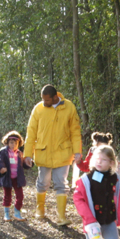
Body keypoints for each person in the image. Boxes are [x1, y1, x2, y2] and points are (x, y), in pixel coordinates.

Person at [24, 85, 82, 226]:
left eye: (47, 100)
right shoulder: (38, 109)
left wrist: (78, 151)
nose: (44, 102)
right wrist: (27, 154)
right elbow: (31, 132)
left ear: (55, 97)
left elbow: (75, 131)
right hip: (43, 152)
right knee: (43, 182)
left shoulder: (69, 107)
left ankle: (61, 217)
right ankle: (40, 210)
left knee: (61, 184)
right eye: (42, 99)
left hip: (63, 153)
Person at [0, 131, 31, 222]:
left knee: (20, 196)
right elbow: (0, 161)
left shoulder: (19, 153)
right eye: (11, 142)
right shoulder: (3, 152)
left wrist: (29, 164)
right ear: (7, 142)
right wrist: (2, 167)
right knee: (7, 195)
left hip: (17, 178)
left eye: (16, 143)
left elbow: (23, 165)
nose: (13, 145)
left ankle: (17, 212)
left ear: (19, 143)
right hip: (7, 177)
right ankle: (7, 214)